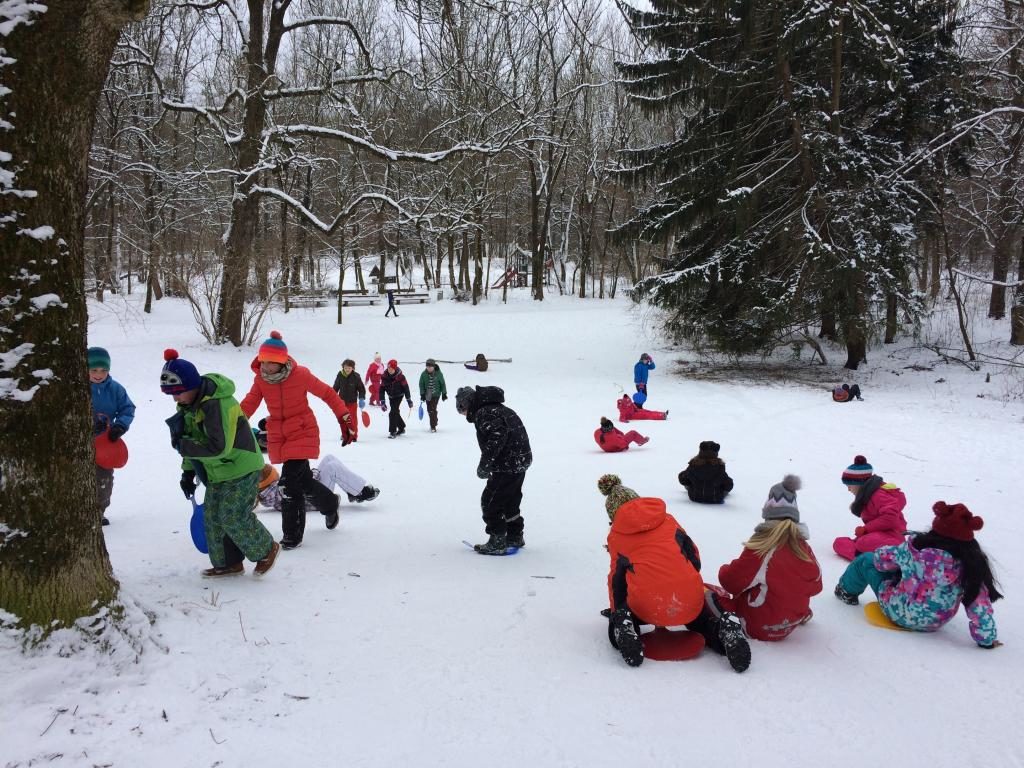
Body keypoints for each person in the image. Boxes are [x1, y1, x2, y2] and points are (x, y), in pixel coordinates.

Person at [598, 474, 751, 671]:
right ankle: (722, 632)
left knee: (622, 617)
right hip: (688, 600)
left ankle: (626, 627)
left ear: (613, 515)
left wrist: (616, 610)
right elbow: (693, 556)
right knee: (701, 620)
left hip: (648, 606)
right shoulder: (668, 520)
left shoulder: (617, 536)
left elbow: (617, 582)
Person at [160, 349, 279, 578]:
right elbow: (190, 440)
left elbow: (218, 446)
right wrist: (187, 473)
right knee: (212, 517)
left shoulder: (217, 404)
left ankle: (266, 549)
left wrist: (182, 447)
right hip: (218, 471)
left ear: (193, 386)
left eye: (178, 393)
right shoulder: (188, 407)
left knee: (232, 516)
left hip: (241, 467)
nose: (175, 399)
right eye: (171, 395)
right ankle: (229, 563)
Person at [835, 501, 1001, 648]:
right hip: (937, 620)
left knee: (865, 561)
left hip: (896, 610)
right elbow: (979, 606)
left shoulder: (913, 550)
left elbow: (880, 561)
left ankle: (846, 591)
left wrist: (904, 568)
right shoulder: (969, 565)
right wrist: (986, 640)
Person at [240, 331, 349, 549]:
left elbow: (327, 393)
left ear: (282, 362)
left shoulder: (300, 374)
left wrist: (344, 416)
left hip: (302, 430)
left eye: (272, 363)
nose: (266, 367)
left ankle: (292, 535)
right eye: (264, 362)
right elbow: (250, 403)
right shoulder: (261, 380)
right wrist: (233, 423)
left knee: (289, 485)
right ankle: (329, 503)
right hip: (280, 434)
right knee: (304, 481)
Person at [714, 476, 822, 641]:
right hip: (791, 622)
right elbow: (816, 587)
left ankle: (729, 634)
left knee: (710, 595)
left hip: (758, 625)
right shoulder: (804, 549)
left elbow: (730, 583)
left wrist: (725, 569)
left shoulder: (762, 548)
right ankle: (794, 614)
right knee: (786, 588)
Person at [455, 385, 532, 554]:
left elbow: (496, 438)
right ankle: (514, 535)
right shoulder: (497, 409)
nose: (463, 415)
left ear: (467, 404)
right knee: (510, 500)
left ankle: (497, 540)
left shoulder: (485, 413)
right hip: (519, 461)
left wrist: (485, 464)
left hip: (507, 464)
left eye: (461, 410)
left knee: (491, 501)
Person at [88, 346, 135, 526]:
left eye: (104, 370)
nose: (99, 374)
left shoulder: (115, 389)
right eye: (94, 370)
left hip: (106, 443)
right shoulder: (78, 388)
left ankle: (98, 511)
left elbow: (127, 408)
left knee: (103, 479)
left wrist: (120, 426)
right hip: (81, 441)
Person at [832, 455, 907, 561]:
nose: (848, 489)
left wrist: (866, 529)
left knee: (863, 543)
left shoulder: (878, 495)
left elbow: (890, 518)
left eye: (849, 485)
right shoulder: (868, 495)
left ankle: (890, 554)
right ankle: (867, 553)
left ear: (859, 484)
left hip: (892, 536)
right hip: (879, 534)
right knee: (839, 543)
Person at [256, 455, 380, 512]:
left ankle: (352, 490)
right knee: (333, 468)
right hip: (315, 499)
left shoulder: (272, 488)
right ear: (270, 479)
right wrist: (312, 473)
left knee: (329, 458)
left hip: (311, 491)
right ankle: (360, 492)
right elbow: (303, 485)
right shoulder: (276, 492)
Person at [332, 358, 366, 445]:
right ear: (343, 367)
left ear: (353, 368)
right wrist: (332, 396)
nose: (347, 369)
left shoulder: (356, 377)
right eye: (346, 367)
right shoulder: (340, 376)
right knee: (344, 419)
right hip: (342, 402)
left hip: (352, 402)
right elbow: (335, 388)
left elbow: (361, 389)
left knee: (352, 419)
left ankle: (353, 436)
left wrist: (361, 398)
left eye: (349, 368)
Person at [380, 359, 413, 438]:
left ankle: (392, 431)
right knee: (395, 412)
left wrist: (408, 400)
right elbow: (381, 389)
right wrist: (382, 402)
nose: (389, 370)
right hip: (391, 396)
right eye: (388, 368)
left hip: (399, 396)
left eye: (391, 369)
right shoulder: (385, 377)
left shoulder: (401, 377)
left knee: (392, 413)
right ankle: (401, 428)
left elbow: (406, 388)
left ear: (395, 368)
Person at [418, 358, 448, 432]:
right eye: (427, 367)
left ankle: (433, 426)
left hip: (436, 394)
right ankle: (434, 419)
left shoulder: (438, 374)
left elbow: (443, 384)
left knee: (432, 409)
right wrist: (422, 394)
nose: (429, 368)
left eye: (430, 367)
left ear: (434, 367)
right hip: (428, 394)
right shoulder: (423, 374)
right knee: (430, 409)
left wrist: (444, 393)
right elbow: (421, 384)